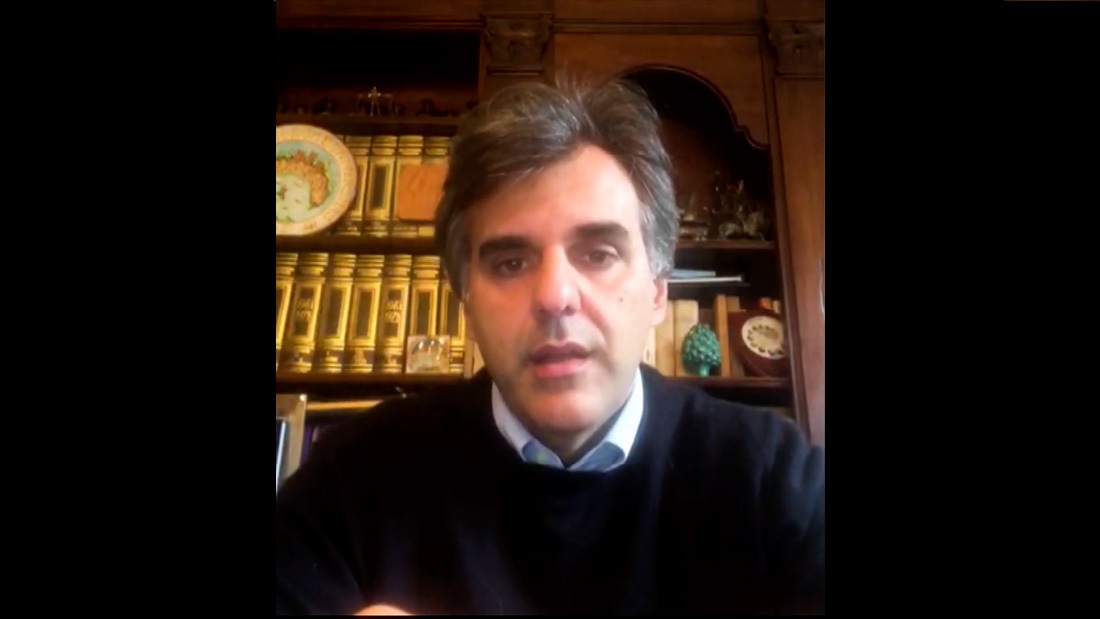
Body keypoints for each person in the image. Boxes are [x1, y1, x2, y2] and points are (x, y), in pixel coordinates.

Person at [275, 76, 825, 616]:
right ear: (466, 303)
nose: (555, 297)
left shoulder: (775, 481)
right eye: (510, 262)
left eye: (599, 254)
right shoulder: (351, 482)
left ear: (658, 291)